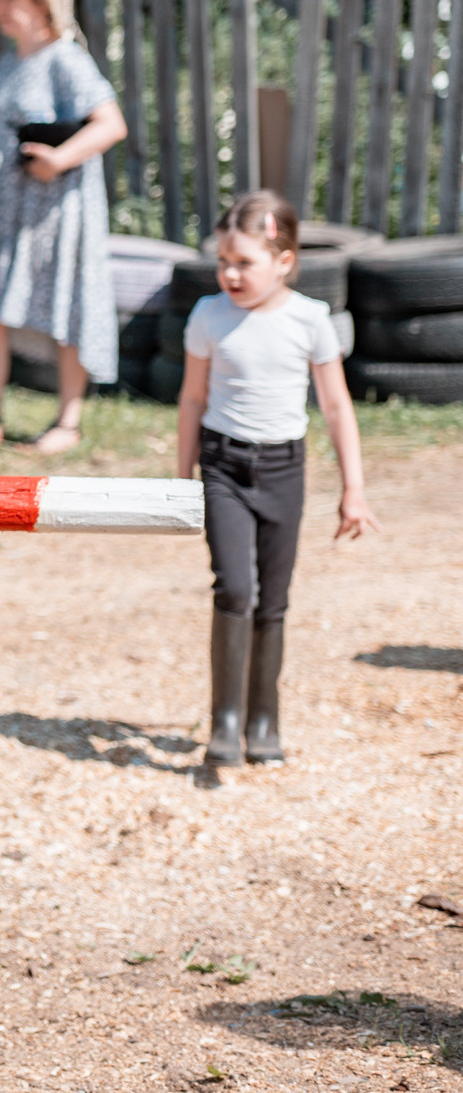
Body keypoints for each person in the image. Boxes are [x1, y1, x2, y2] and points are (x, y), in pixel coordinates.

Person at [176, 191, 379, 767]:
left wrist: (353, 489)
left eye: (245, 262)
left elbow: (337, 408)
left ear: (284, 260)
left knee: (274, 600)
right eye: (224, 262)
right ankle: (226, 720)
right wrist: (182, 476)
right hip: (222, 467)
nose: (231, 274)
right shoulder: (208, 316)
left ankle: (264, 718)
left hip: (284, 469)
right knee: (235, 587)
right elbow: (192, 399)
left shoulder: (311, 320)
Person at [0, 0, 126, 455]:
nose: (0, 7)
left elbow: (111, 124)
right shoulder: (10, 60)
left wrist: (57, 159)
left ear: (39, 3)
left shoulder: (67, 57)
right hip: (8, 203)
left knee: (68, 301)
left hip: (58, 205)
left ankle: (67, 422)